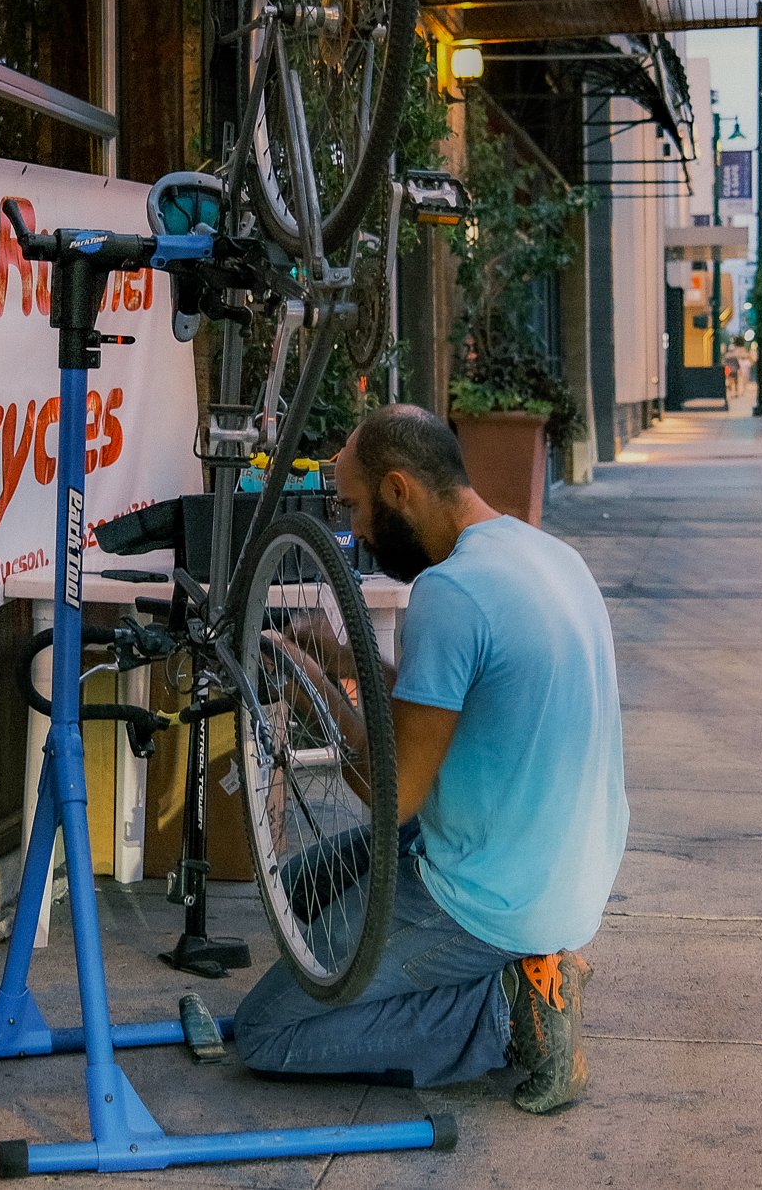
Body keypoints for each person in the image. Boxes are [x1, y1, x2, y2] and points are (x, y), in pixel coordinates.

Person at [233, 404, 628, 1114]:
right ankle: (522, 967)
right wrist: (344, 659)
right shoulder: (544, 555)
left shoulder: (451, 591)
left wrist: (314, 691)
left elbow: (389, 794)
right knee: (297, 892)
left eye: (355, 507)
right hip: (559, 866)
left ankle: (508, 1010)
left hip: (488, 895)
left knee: (267, 1034)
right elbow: (441, 711)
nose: (354, 529)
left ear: (397, 490)